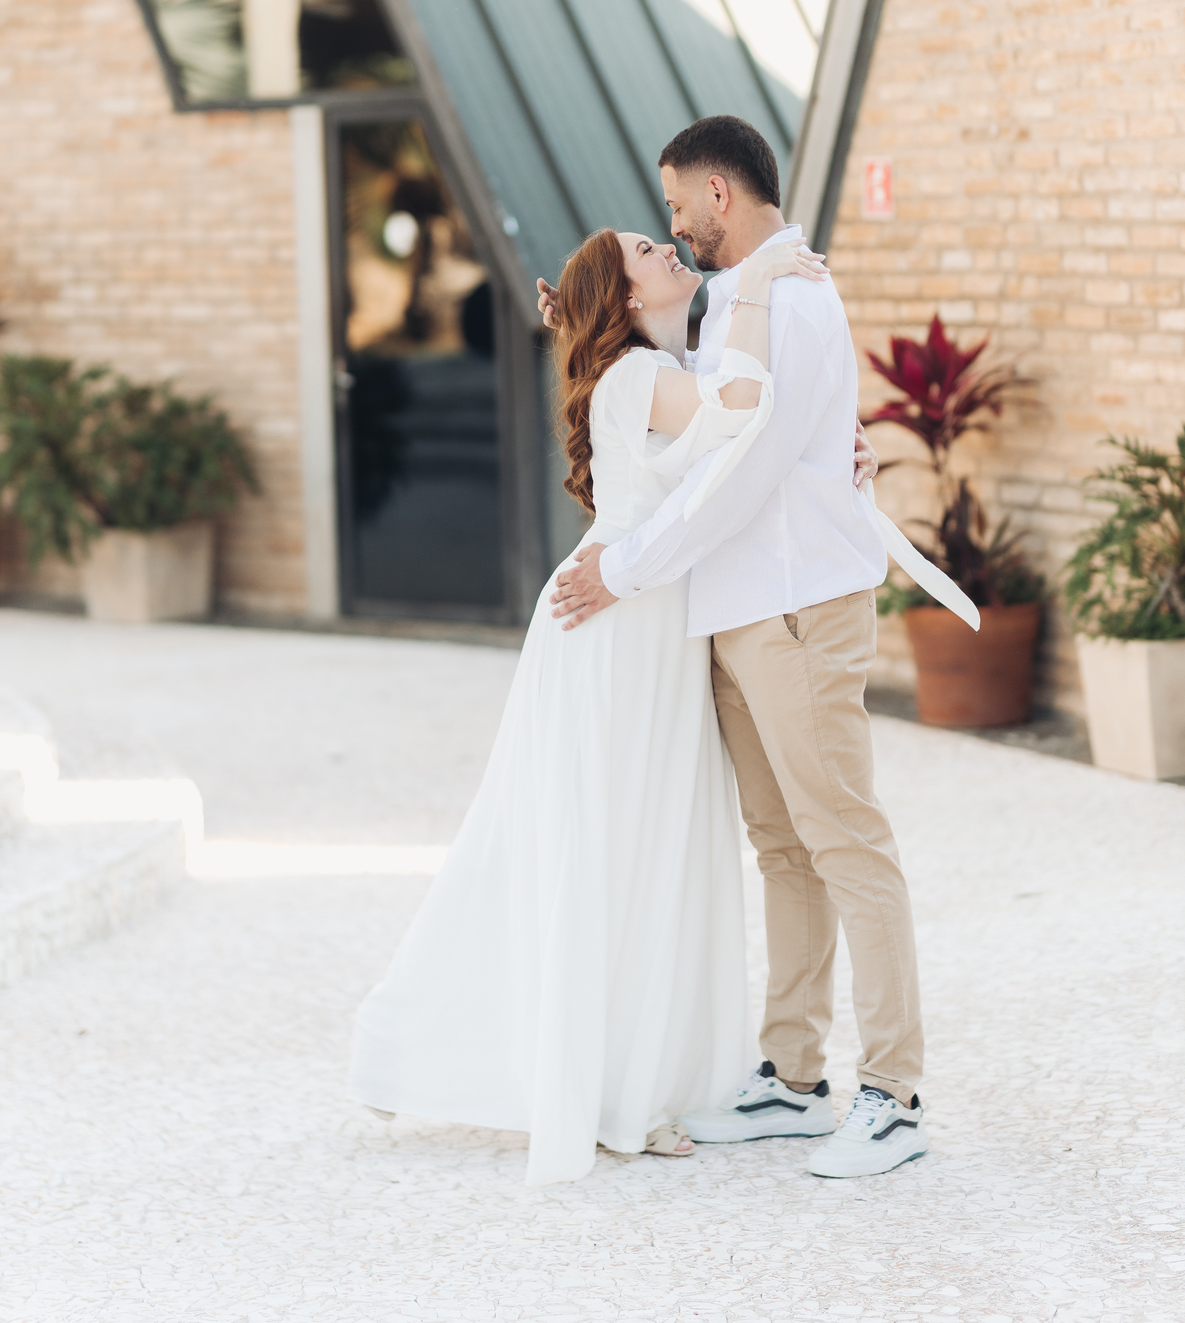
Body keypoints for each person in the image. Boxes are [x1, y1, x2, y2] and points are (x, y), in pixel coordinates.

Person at [350, 223, 843, 1186]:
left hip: (652, 624)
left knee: (652, 843)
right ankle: (602, 1088)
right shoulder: (637, 375)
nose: (668, 252)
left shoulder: (654, 365)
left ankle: (639, 1075)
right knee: (609, 843)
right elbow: (741, 405)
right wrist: (755, 279)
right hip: (612, 625)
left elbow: (731, 428)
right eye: (647, 253)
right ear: (626, 298)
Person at [544, 114, 976, 1180]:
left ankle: (895, 1097)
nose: (673, 225)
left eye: (676, 204)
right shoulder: (735, 295)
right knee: (783, 848)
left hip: (794, 608)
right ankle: (793, 1076)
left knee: (845, 841)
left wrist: (626, 569)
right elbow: (713, 432)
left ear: (719, 193)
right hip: (735, 615)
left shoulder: (791, 293)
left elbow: (737, 475)